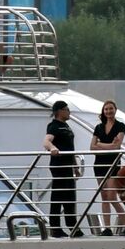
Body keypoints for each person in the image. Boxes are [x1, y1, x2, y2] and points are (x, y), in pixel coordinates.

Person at [90, 100, 125, 236]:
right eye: (106, 109)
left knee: (112, 197)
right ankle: (107, 228)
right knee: (104, 197)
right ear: (103, 111)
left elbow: (116, 147)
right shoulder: (98, 127)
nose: (108, 111)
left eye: (110, 109)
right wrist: (107, 145)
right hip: (99, 165)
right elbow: (91, 148)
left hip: (113, 165)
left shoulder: (120, 126)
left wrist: (100, 144)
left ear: (115, 110)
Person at [43, 101, 79, 237]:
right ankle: (56, 227)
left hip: (68, 166)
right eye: (66, 109)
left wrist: (75, 165)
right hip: (59, 165)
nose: (69, 111)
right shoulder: (54, 126)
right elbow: (46, 141)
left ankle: (72, 225)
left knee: (70, 196)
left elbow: (70, 147)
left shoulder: (66, 126)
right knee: (58, 196)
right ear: (59, 111)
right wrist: (53, 148)